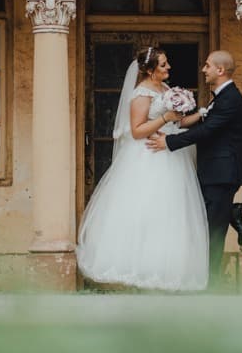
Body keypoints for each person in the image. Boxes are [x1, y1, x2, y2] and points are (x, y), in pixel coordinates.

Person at [76, 47, 209, 291]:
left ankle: (167, 271)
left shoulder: (167, 90)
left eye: (167, 63)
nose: (168, 67)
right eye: (163, 65)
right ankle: (138, 272)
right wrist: (165, 119)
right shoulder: (141, 94)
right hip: (148, 156)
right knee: (146, 211)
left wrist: (202, 114)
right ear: (150, 70)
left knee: (173, 212)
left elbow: (179, 122)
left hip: (171, 154)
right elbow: (137, 131)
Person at [147, 50, 242, 282]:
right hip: (212, 172)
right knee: (207, 225)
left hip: (222, 174)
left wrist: (169, 141)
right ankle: (232, 213)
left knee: (214, 231)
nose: (203, 69)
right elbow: (206, 124)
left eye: (208, 65)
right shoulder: (222, 96)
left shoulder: (230, 99)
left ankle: (211, 282)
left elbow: (207, 131)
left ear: (220, 70)